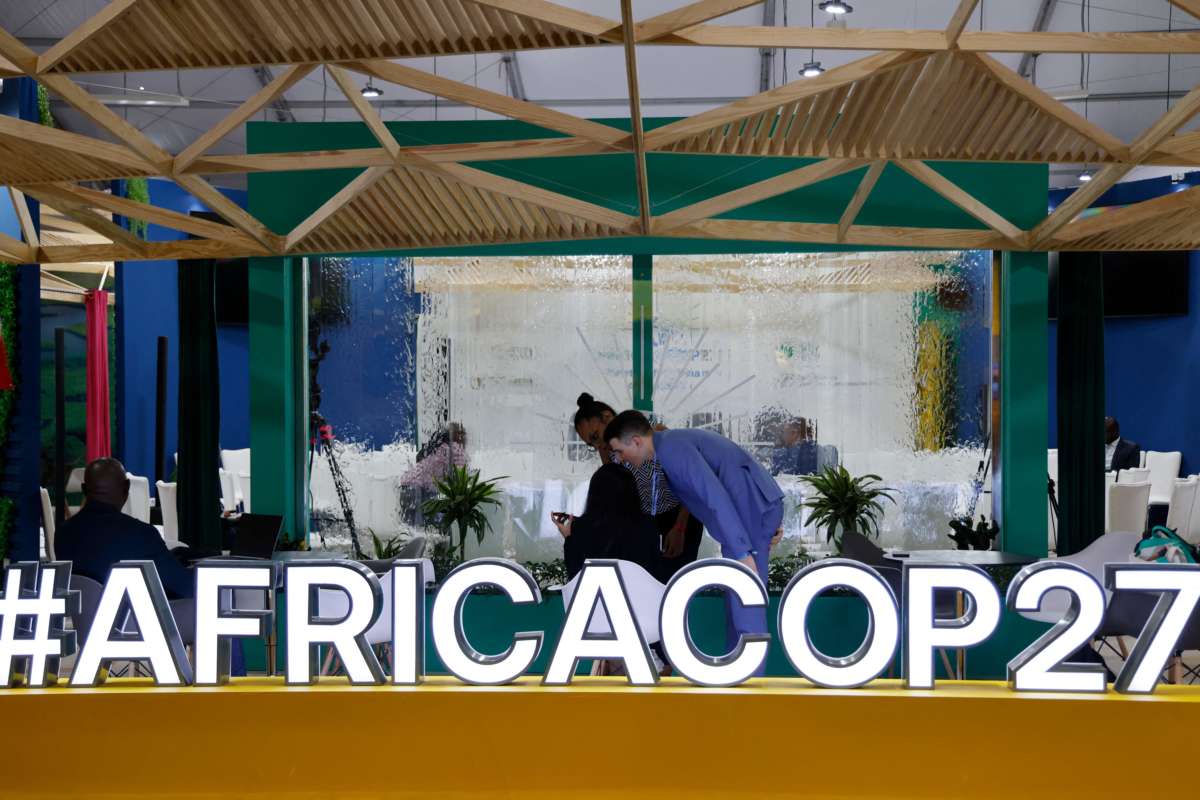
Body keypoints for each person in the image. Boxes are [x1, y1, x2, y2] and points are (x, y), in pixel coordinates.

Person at [605, 410, 783, 661]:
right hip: (749, 515)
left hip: (746, 519)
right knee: (738, 604)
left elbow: (715, 496)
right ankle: (739, 677)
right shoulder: (670, 447)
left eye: (620, 452)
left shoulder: (672, 450)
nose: (621, 460)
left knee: (746, 605)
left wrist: (743, 549)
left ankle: (750, 685)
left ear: (636, 441)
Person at [574, 393, 702, 575]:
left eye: (595, 436)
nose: (597, 445)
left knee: (677, 579)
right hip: (644, 521)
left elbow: (689, 484)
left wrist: (680, 527)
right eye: (590, 444)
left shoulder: (656, 435)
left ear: (607, 417)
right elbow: (617, 493)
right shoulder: (606, 450)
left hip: (681, 515)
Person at [55, 457, 193, 599]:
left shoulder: (63, 533)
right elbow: (185, 586)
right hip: (135, 618)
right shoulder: (141, 535)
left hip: (85, 618)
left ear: (84, 489)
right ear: (126, 487)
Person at [551, 462, 665, 581]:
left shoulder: (581, 527)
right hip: (638, 596)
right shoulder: (648, 525)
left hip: (598, 598)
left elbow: (576, 576)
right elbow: (655, 571)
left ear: (594, 493)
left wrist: (569, 537)